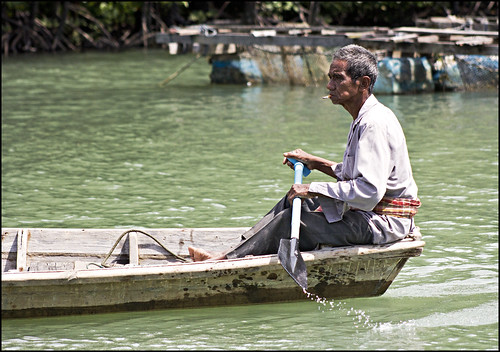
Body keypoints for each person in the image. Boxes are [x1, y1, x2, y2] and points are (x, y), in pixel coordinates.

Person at [188, 44, 420, 262]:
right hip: (366, 214)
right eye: (330, 78)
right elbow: (353, 176)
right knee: (291, 201)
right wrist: (314, 162)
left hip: (383, 222)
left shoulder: (373, 124)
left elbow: (368, 192)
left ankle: (226, 260)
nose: (330, 86)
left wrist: (311, 188)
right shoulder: (362, 118)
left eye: (338, 79)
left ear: (363, 83)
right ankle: (234, 250)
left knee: (291, 219)